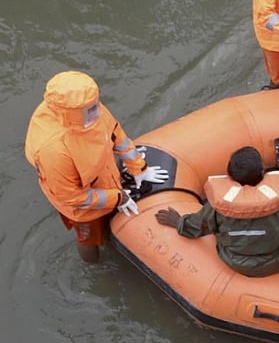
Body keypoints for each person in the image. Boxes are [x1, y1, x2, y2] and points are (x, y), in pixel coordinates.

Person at [24, 71, 170, 263]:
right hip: (82, 207)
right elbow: (73, 197)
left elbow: (116, 135)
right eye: (91, 109)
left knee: (108, 217)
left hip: (102, 176)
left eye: (96, 104)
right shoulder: (54, 151)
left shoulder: (90, 109)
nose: (98, 110)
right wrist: (118, 197)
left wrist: (139, 168)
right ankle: (93, 265)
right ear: (71, 113)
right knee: (88, 238)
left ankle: (113, 232)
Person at [154, 146, 279, 277]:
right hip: (272, 262)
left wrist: (177, 222)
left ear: (229, 175)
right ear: (262, 173)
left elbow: (197, 225)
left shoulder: (218, 207)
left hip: (233, 260)